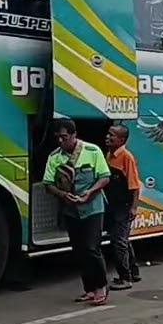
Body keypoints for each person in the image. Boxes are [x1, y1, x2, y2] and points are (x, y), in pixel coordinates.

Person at [42, 119, 112, 305]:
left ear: (74, 135)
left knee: (92, 248)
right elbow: (48, 184)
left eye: (64, 137)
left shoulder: (92, 151)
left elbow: (104, 177)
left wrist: (90, 192)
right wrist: (63, 195)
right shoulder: (55, 157)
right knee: (79, 250)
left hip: (92, 208)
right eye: (58, 138)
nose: (60, 141)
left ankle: (101, 287)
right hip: (71, 209)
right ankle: (89, 289)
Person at [103, 124, 142, 289]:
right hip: (113, 204)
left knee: (118, 241)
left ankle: (125, 278)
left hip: (123, 206)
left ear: (121, 139)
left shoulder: (126, 157)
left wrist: (133, 208)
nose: (107, 137)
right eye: (108, 133)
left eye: (112, 135)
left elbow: (134, 186)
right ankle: (134, 272)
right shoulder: (109, 155)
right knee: (122, 239)